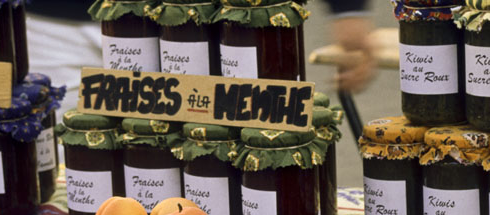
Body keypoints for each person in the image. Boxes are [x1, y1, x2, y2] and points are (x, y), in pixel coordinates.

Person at [26, 1, 377, 115]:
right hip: (53, 26)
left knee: (203, 146)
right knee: (64, 176)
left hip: (186, 20)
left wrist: (347, 9)